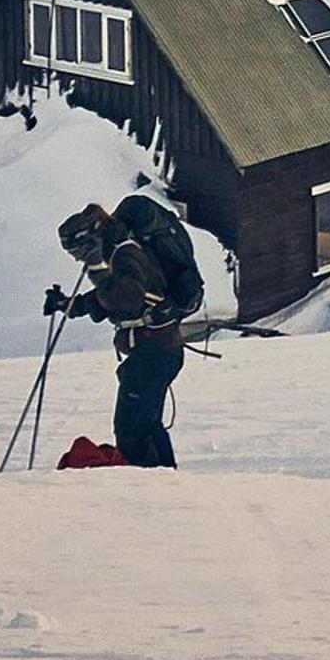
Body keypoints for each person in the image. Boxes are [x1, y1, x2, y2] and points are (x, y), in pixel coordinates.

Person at [53, 198, 200, 468]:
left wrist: (93, 283)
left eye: (77, 252)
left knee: (131, 431)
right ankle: (168, 480)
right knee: (146, 425)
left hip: (152, 352)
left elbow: (126, 296)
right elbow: (118, 295)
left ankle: (150, 488)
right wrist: (71, 306)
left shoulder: (124, 252)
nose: (78, 259)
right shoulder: (121, 250)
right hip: (158, 350)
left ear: (87, 241)